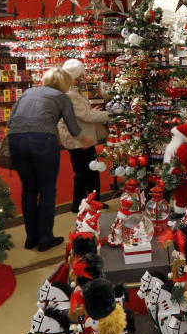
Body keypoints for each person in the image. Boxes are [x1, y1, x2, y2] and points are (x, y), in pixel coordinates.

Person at [8, 67, 93, 251]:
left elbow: (10, 120)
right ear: (64, 82)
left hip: (15, 140)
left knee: (28, 189)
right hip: (43, 141)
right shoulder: (62, 97)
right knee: (47, 190)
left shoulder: (28, 92)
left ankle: (31, 238)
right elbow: (72, 126)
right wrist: (85, 139)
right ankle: (45, 237)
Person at [58, 59, 111, 213]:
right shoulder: (69, 94)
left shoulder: (71, 91)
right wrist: (110, 114)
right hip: (78, 139)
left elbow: (83, 113)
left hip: (83, 137)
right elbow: (86, 116)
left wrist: (92, 111)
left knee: (91, 171)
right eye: (79, 76)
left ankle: (94, 201)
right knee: (83, 172)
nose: (82, 79)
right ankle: (78, 204)